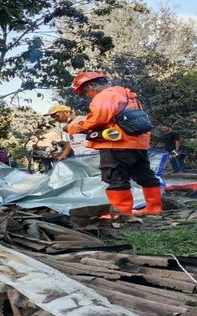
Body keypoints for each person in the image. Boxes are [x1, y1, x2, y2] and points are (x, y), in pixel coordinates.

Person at [67, 71, 161, 216]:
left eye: (86, 91)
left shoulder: (105, 95)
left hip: (116, 144)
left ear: (93, 86)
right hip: (138, 144)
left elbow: (98, 120)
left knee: (116, 178)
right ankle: (154, 208)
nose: (87, 95)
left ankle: (121, 214)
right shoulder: (128, 95)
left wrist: (74, 127)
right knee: (145, 175)